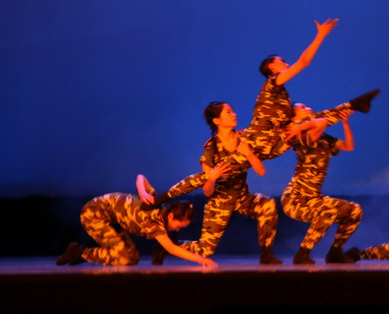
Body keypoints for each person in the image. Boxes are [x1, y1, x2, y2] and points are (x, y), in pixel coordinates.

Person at [242, 18, 379, 161]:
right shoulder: (271, 84)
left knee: (309, 120)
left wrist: (346, 115)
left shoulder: (282, 98)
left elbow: (313, 121)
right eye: (282, 61)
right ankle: (354, 105)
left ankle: (354, 105)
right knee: (309, 122)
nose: (287, 64)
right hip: (256, 141)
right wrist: (321, 35)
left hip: (272, 146)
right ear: (271, 67)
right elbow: (303, 62)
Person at [166, 101, 282, 265]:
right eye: (228, 112)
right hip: (219, 201)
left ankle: (266, 253)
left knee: (267, 204)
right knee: (206, 250)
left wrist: (248, 153)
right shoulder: (211, 148)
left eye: (233, 111)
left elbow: (261, 171)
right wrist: (212, 178)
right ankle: (169, 247)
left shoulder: (243, 139)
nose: (234, 114)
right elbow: (207, 191)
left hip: (242, 198)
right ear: (217, 120)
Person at [282, 103, 363, 264]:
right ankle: (302, 253)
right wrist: (301, 126)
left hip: (314, 198)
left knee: (354, 211)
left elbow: (348, 146)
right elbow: (322, 121)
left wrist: (345, 123)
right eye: (303, 108)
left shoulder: (324, 138)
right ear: (294, 118)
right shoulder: (301, 136)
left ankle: (335, 253)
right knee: (328, 211)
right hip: (296, 199)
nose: (309, 108)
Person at [56, 189, 217, 267]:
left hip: (111, 218)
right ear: (170, 216)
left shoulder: (157, 203)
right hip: (93, 215)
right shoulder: (153, 220)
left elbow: (141, 177)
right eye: (178, 225)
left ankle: (79, 253)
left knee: (132, 258)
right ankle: (79, 253)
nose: (177, 229)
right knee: (124, 258)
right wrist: (201, 260)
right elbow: (171, 248)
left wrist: (143, 190)